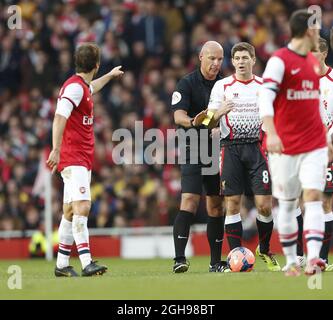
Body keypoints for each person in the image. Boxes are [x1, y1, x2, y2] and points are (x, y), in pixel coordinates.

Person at [259, 10, 332, 276]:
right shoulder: (279, 61)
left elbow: (317, 104)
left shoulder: (314, 64)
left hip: (314, 144)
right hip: (285, 146)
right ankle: (292, 260)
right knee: (289, 204)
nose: (320, 34)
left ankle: (313, 259)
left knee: (313, 197)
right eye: (317, 30)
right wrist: (273, 133)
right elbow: (264, 99)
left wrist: (326, 137)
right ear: (307, 32)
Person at [46, 43, 124, 277]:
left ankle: (61, 265)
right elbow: (59, 117)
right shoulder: (74, 89)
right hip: (73, 157)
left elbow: (92, 87)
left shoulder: (80, 86)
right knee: (83, 206)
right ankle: (87, 261)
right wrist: (56, 149)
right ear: (96, 64)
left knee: (70, 210)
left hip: (79, 157)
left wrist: (110, 76)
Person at [205, 42, 281, 272]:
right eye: (236, 58)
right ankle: (235, 257)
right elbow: (208, 123)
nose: (240, 62)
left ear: (253, 60)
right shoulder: (222, 86)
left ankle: (264, 249)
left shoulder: (264, 87)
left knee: (264, 205)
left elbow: (276, 117)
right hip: (231, 149)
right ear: (233, 61)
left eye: (244, 58)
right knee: (233, 204)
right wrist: (218, 113)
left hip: (258, 149)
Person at [170, 41, 232, 273]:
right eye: (212, 59)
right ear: (201, 57)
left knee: (216, 205)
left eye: (219, 59)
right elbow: (178, 116)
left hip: (218, 148)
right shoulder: (186, 83)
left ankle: (215, 262)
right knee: (190, 201)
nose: (216, 64)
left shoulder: (225, 85)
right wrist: (195, 121)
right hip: (194, 147)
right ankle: (179, 259)